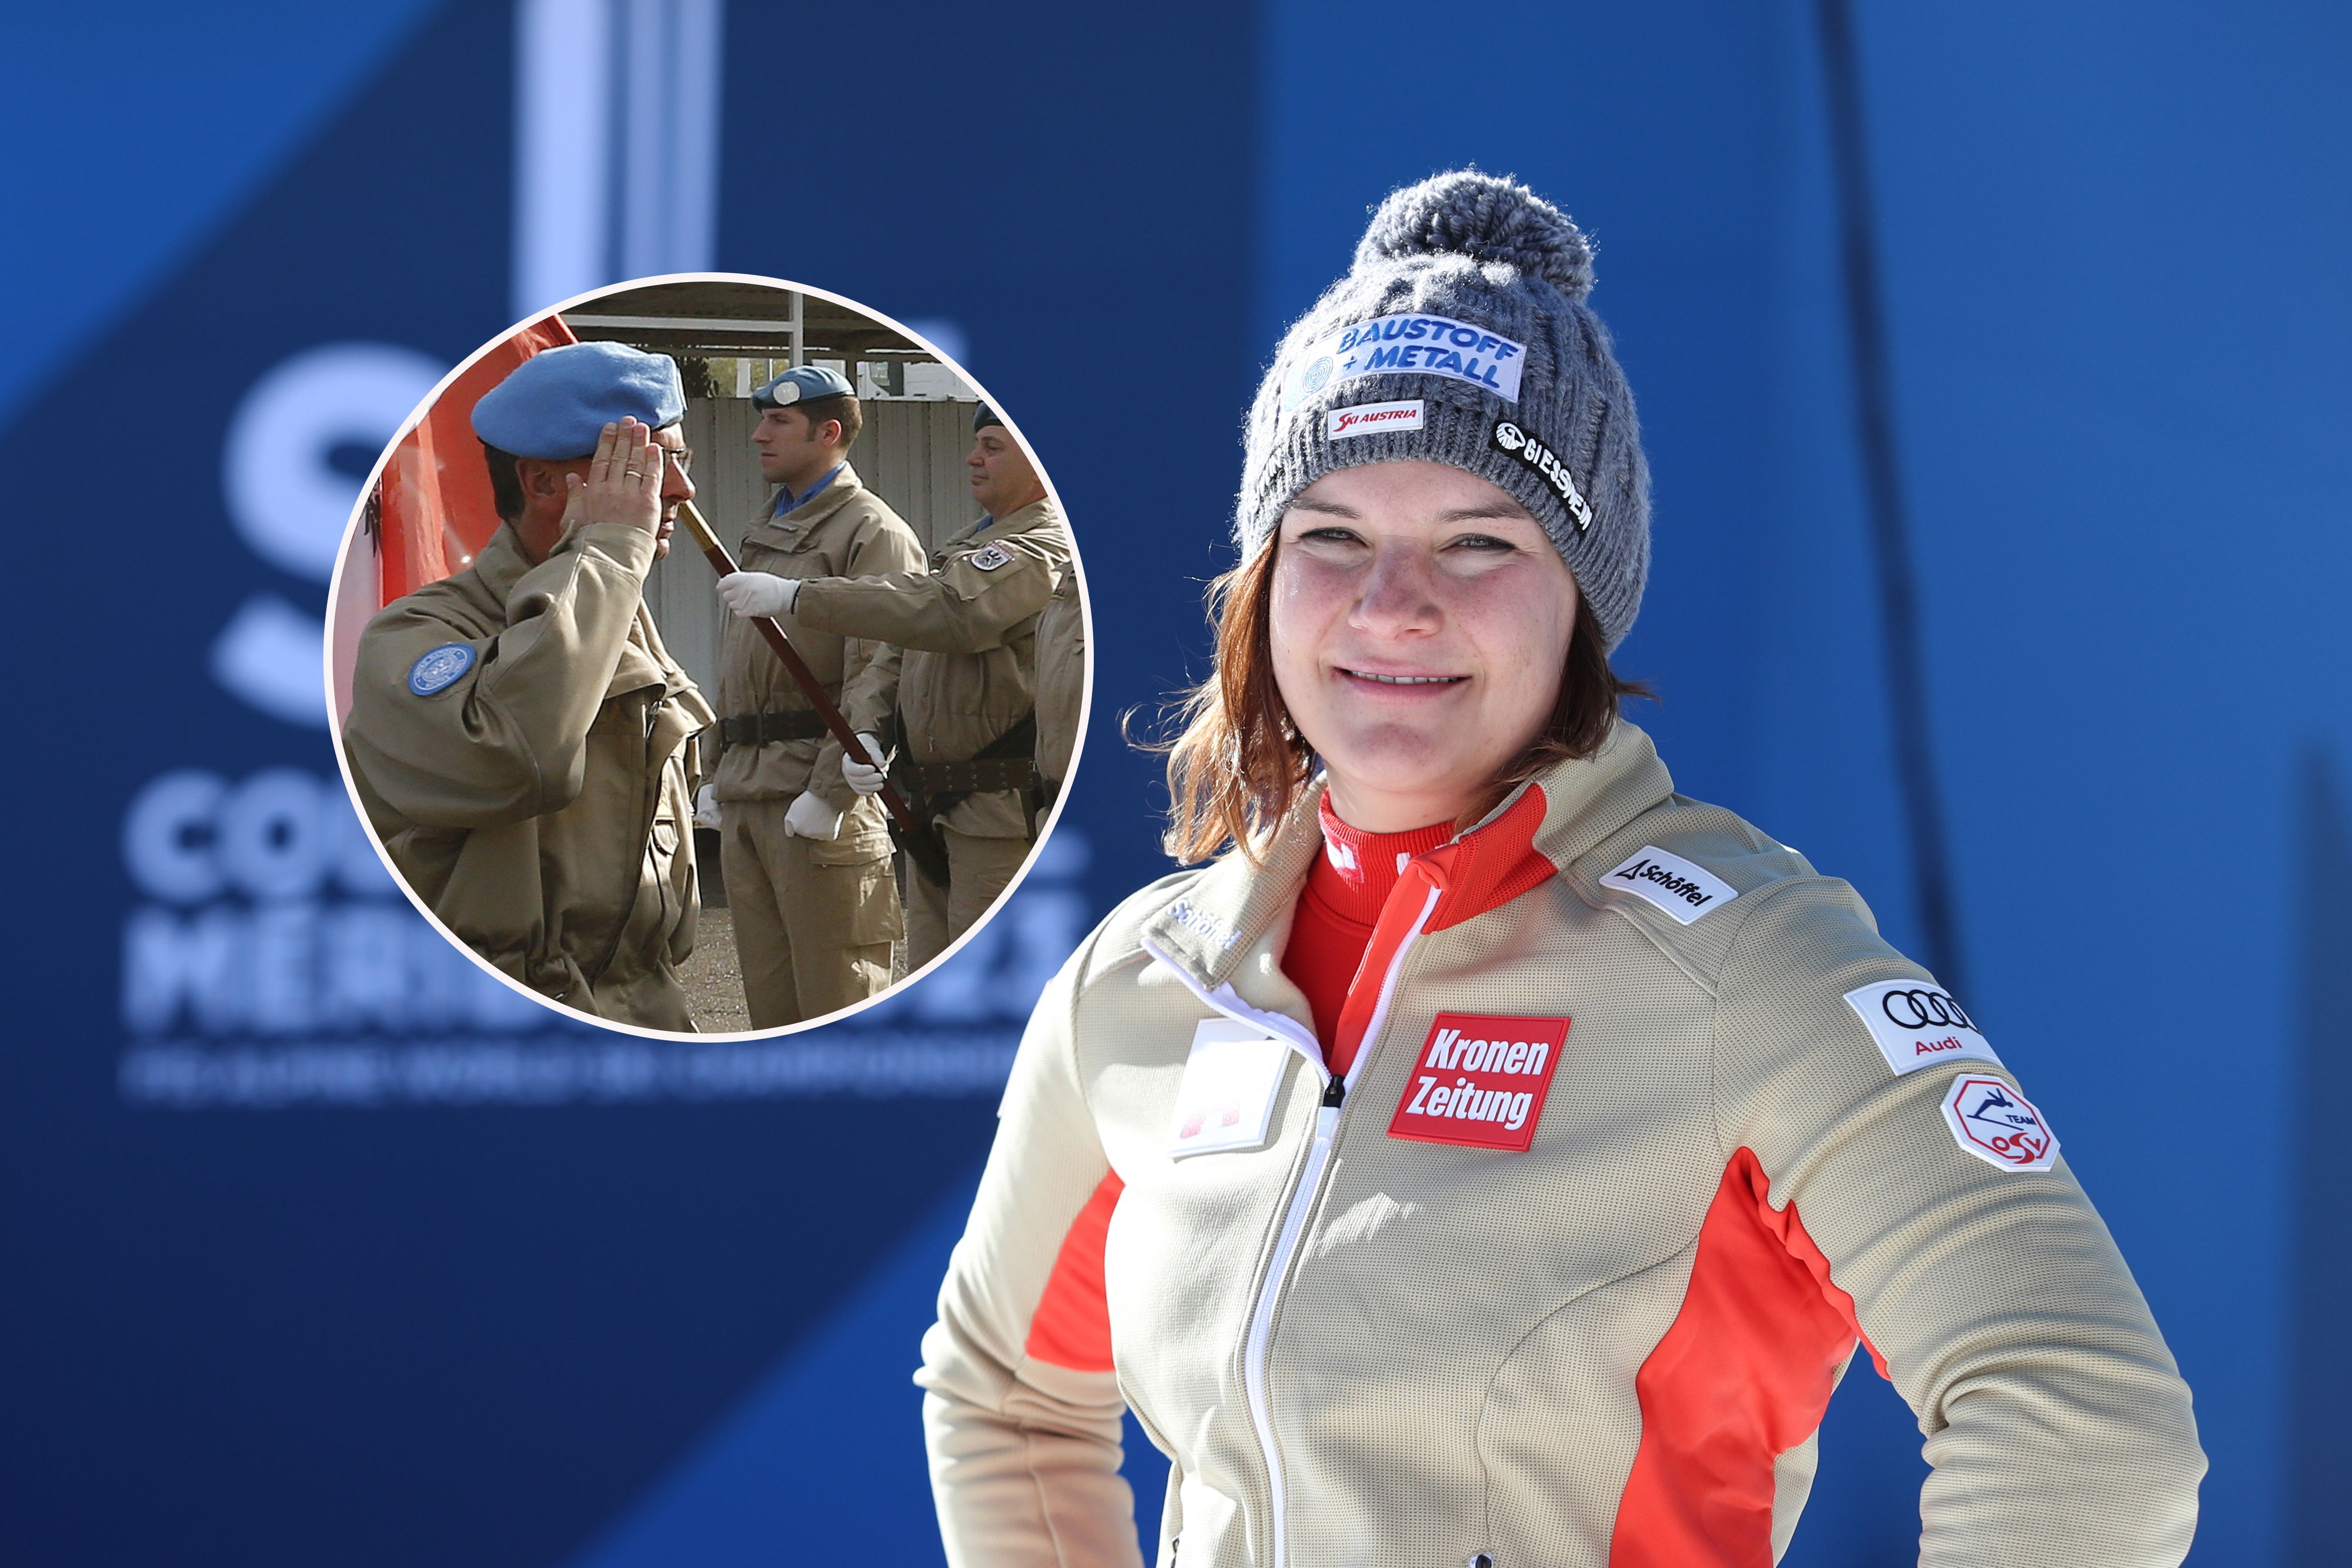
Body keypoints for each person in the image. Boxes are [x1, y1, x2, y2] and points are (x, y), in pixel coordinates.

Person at [913, 173, 2203, 1568]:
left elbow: (2086, 1422)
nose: (1391, 603)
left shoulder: (1743, 965)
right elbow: (1005, 1393)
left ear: (1583, 598)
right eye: (1331, 535)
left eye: (1479, 543)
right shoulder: (1148, 979)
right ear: (1262, 580)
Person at [343, 342, 716, 1030]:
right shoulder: (420, 635)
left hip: (645, 1013)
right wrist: (607, 551)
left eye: (680, 462)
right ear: (544, 485)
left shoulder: (624, 619)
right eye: (650, 465)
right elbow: (517, 756)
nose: (681, 492)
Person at [719, 404, 1071, 969]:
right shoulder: (965, 547)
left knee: (988, 988)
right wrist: (868, 731)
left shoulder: (1044, 545)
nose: (972, 457)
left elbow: (953, 612)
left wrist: (798, 597)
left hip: (1001, 815)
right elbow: (894, 654)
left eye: (993, 445)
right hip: (938, 810)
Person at [707, 366, 926, 1027]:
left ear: (829, 433)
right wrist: (717, 770)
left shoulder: (870, 531)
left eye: (778, 422)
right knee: (770, 1012)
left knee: (836, 1002)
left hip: (812, 794)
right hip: (750, 791)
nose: (757, 435)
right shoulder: (766, 528)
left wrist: (831, 791)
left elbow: (878, 669)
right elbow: (739, 666)